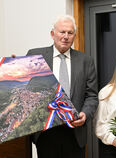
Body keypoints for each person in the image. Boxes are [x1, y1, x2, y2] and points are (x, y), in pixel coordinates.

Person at [26, 15, 98, 158]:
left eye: (70, 33)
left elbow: (92, 96)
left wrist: (85, 114)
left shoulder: (86, 61)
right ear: (53, 34)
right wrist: (15, 65)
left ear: (74, 36)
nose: (66, 36)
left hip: (74, 132)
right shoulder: (35, 55)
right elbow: (26, 87)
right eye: (62, 32)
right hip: (45, 132)